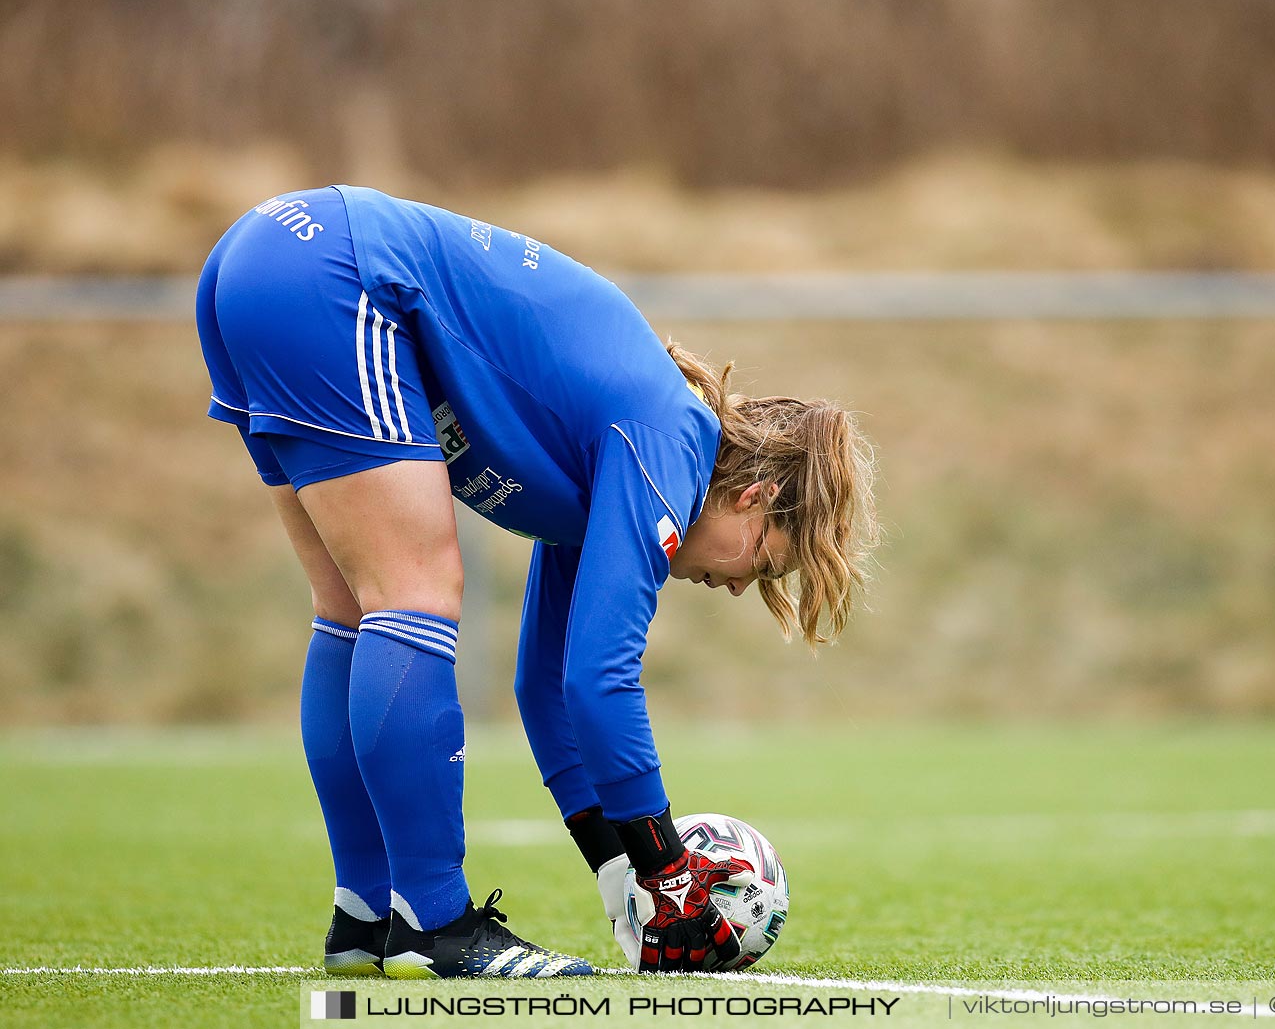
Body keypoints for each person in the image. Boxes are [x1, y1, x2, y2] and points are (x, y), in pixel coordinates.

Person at [194, 186, 878, 977]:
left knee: (351, 607)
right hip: (332, 274)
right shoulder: (672, 443)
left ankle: (366, 915)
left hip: (260, 260)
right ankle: (435, 924)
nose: (733, 586)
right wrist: (666, 866)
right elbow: (599, 681)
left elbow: (546, 688)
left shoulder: (627, 456)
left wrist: (617, 869)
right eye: (760, 561)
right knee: (413, 592)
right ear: (754, 496)